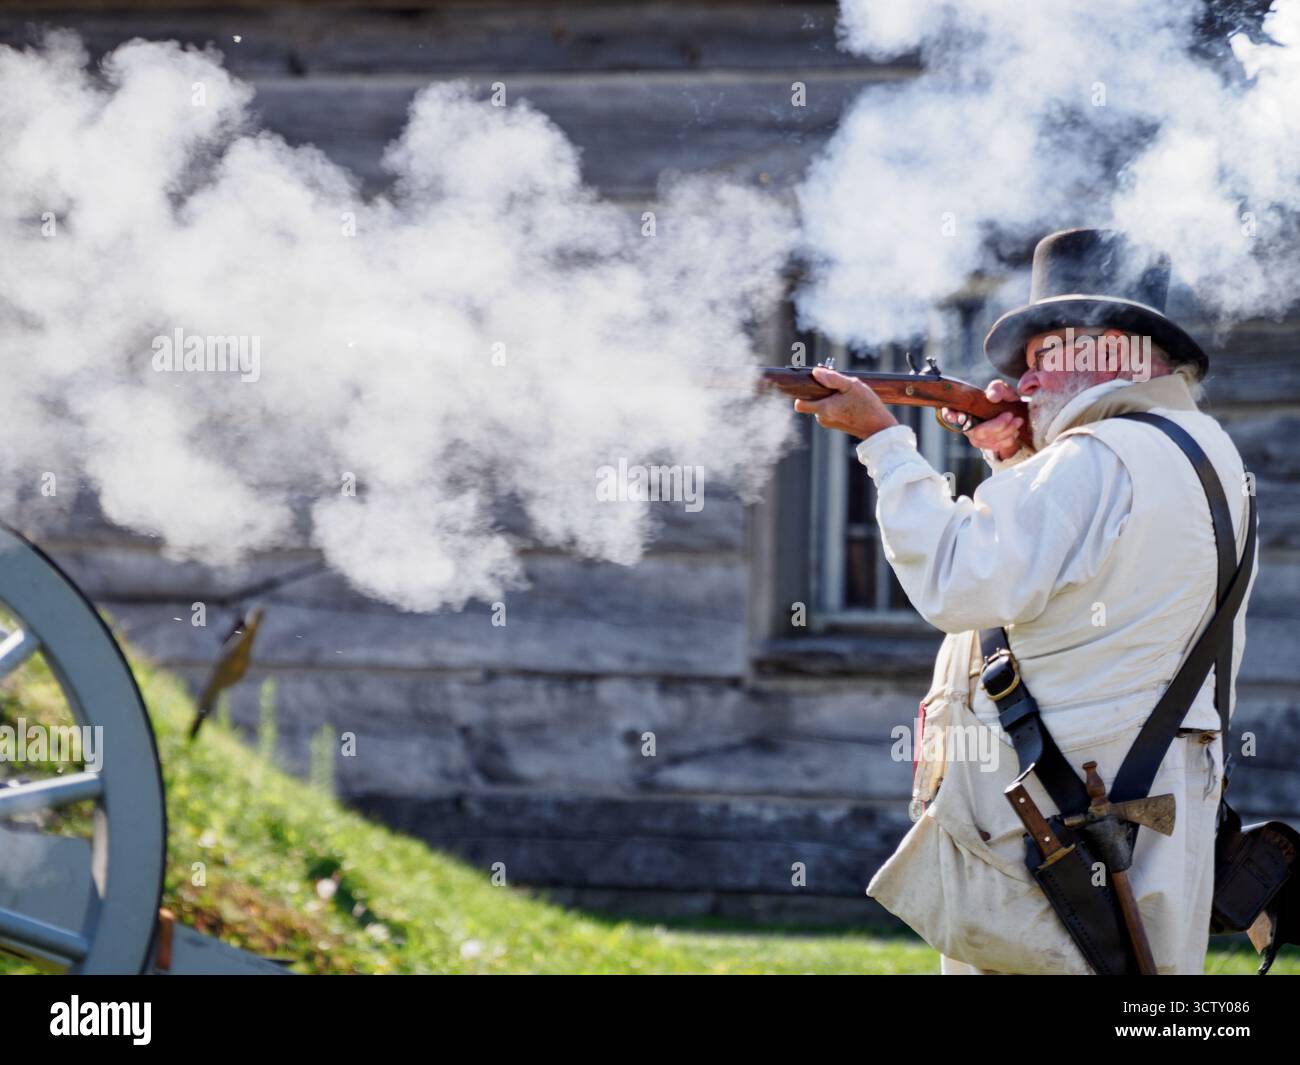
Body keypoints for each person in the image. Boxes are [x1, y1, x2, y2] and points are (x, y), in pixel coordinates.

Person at [792, 228, 1257, 974]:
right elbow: (1082, 571)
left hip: (1060, 814)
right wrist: (1017, 459)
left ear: (1115, 350)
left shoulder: (1089, 460)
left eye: (1047, 356)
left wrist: (884, 443)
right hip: (1152, 797)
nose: (1025, 381)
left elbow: (958, 582)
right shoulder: (1205, 450)